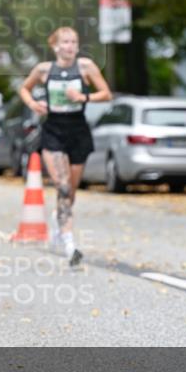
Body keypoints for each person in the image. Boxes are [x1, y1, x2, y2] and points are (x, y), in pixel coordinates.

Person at [18, 26, 112, 266]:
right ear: (55, 46)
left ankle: (59, 221)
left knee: (70, 190)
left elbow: (106, 93)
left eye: (74, 42)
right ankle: (69, 243)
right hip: (53, 131)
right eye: (65, 42)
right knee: (61, 186)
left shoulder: (85, 67)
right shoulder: (43, 70)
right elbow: (24, 88)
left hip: (78, 131)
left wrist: (83, 98)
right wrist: (33, 104)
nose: (70, 46)